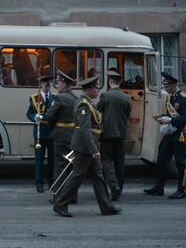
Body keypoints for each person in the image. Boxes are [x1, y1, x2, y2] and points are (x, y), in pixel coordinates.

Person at [52, 76, 121, 217]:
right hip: (85, 148)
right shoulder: (83, 105)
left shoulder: (89, 103)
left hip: (90, 147)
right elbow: (85, 130)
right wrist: (94, 150)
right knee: (77, 176)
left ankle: (107, 207)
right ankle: (60, 204)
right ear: (89, 89)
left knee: (98, 177)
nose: (98, 90)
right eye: (96, 88)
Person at [144, 72, 186, 199]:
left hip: (180, 134)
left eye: (167, 86)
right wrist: (161, 118)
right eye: (165, 86)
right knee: (161, 159)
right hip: (170, 133)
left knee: (180, 162)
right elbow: (170, 114)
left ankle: (181, 190)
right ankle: (159, 187)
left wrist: (170, 120)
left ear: (173, 85)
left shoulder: (184, 98)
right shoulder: (170, 97)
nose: (165, 89)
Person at [45, 70, 79, 203]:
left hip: (61, 137)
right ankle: (72, 197)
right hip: (73, 137)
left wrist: (54, 127)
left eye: (58, 83)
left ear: (64, 84)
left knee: (60, 167)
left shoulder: (60, 98)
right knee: (71, 168)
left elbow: (49, 116)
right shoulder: (75, 98)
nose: (57, 85)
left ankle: (58, 197)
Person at [97, 71, 131, 201]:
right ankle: (120, 188)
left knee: (106, 160)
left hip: (107, 133)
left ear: (110, 83)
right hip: (121, 134)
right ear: (120, 83)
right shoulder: (126, 97)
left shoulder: (105, 95)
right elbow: (127, 114)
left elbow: (97, 109)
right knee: (120, 162)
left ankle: (113, 186)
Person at [26, 75, 55, 193]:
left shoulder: (55, 97)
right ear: (41, 85)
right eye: (45, 83)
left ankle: (52, 182)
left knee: (52, 160)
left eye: (49, 83)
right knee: (39, 159)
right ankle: (39, 183)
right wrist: (35, 117)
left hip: (52, 131)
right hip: (40, 132)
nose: (47, 85)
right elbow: (29, 113)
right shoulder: (34, 98)